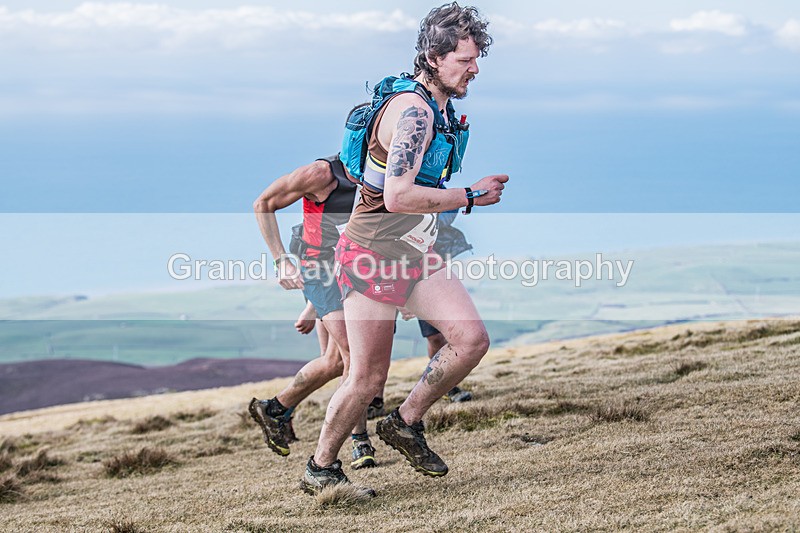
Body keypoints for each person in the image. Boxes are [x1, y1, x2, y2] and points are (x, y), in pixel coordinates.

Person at [301, 3, 507, 497]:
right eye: (466, 59)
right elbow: (397, 196)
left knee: (471, 340)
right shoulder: (413, 112)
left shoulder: (437, 108)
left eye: (477, 58)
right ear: (435, 57)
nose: (475, 68)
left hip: (416, 251)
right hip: (371, 254)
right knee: (367, 376)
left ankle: (405, 422)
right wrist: (471, 195)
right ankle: (321, 467)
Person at [248, 155, 378, 470]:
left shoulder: (388, 174)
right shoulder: (321, 174)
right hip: (319, 271)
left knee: (335, 362)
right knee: (355, 356)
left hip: (355, 270)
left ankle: (275, 408)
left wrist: (311, 306)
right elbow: (263, 204)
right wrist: (281, 260)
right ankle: (358, 441)